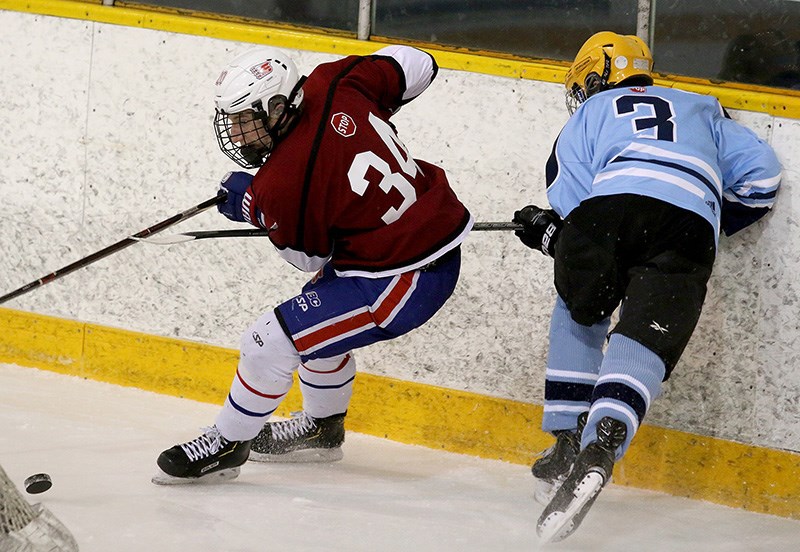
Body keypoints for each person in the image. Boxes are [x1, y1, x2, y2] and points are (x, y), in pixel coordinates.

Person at [152, 44, 473, 484]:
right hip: (409, 240)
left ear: (280, 106)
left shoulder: (282, 182)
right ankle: (323, 430)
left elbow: (309, 257)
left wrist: (253, 207)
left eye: (246, 120)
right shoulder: (337, 82)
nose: (239, 135)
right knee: (315, 314)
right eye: (233, 122)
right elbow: (421, 64)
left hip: (403, 276)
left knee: (270, 339)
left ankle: (227, 443)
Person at [512, 31, 782, 542]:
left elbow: (575, 224)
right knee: (643, 339)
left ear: (595, 78)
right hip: (688, 229)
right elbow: (763, 177)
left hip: (610, 209)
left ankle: (568, 438)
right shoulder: (705, 107)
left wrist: (547, 234)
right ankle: (602, 445)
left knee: (580, 305)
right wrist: (708, 216)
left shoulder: (588, 114)